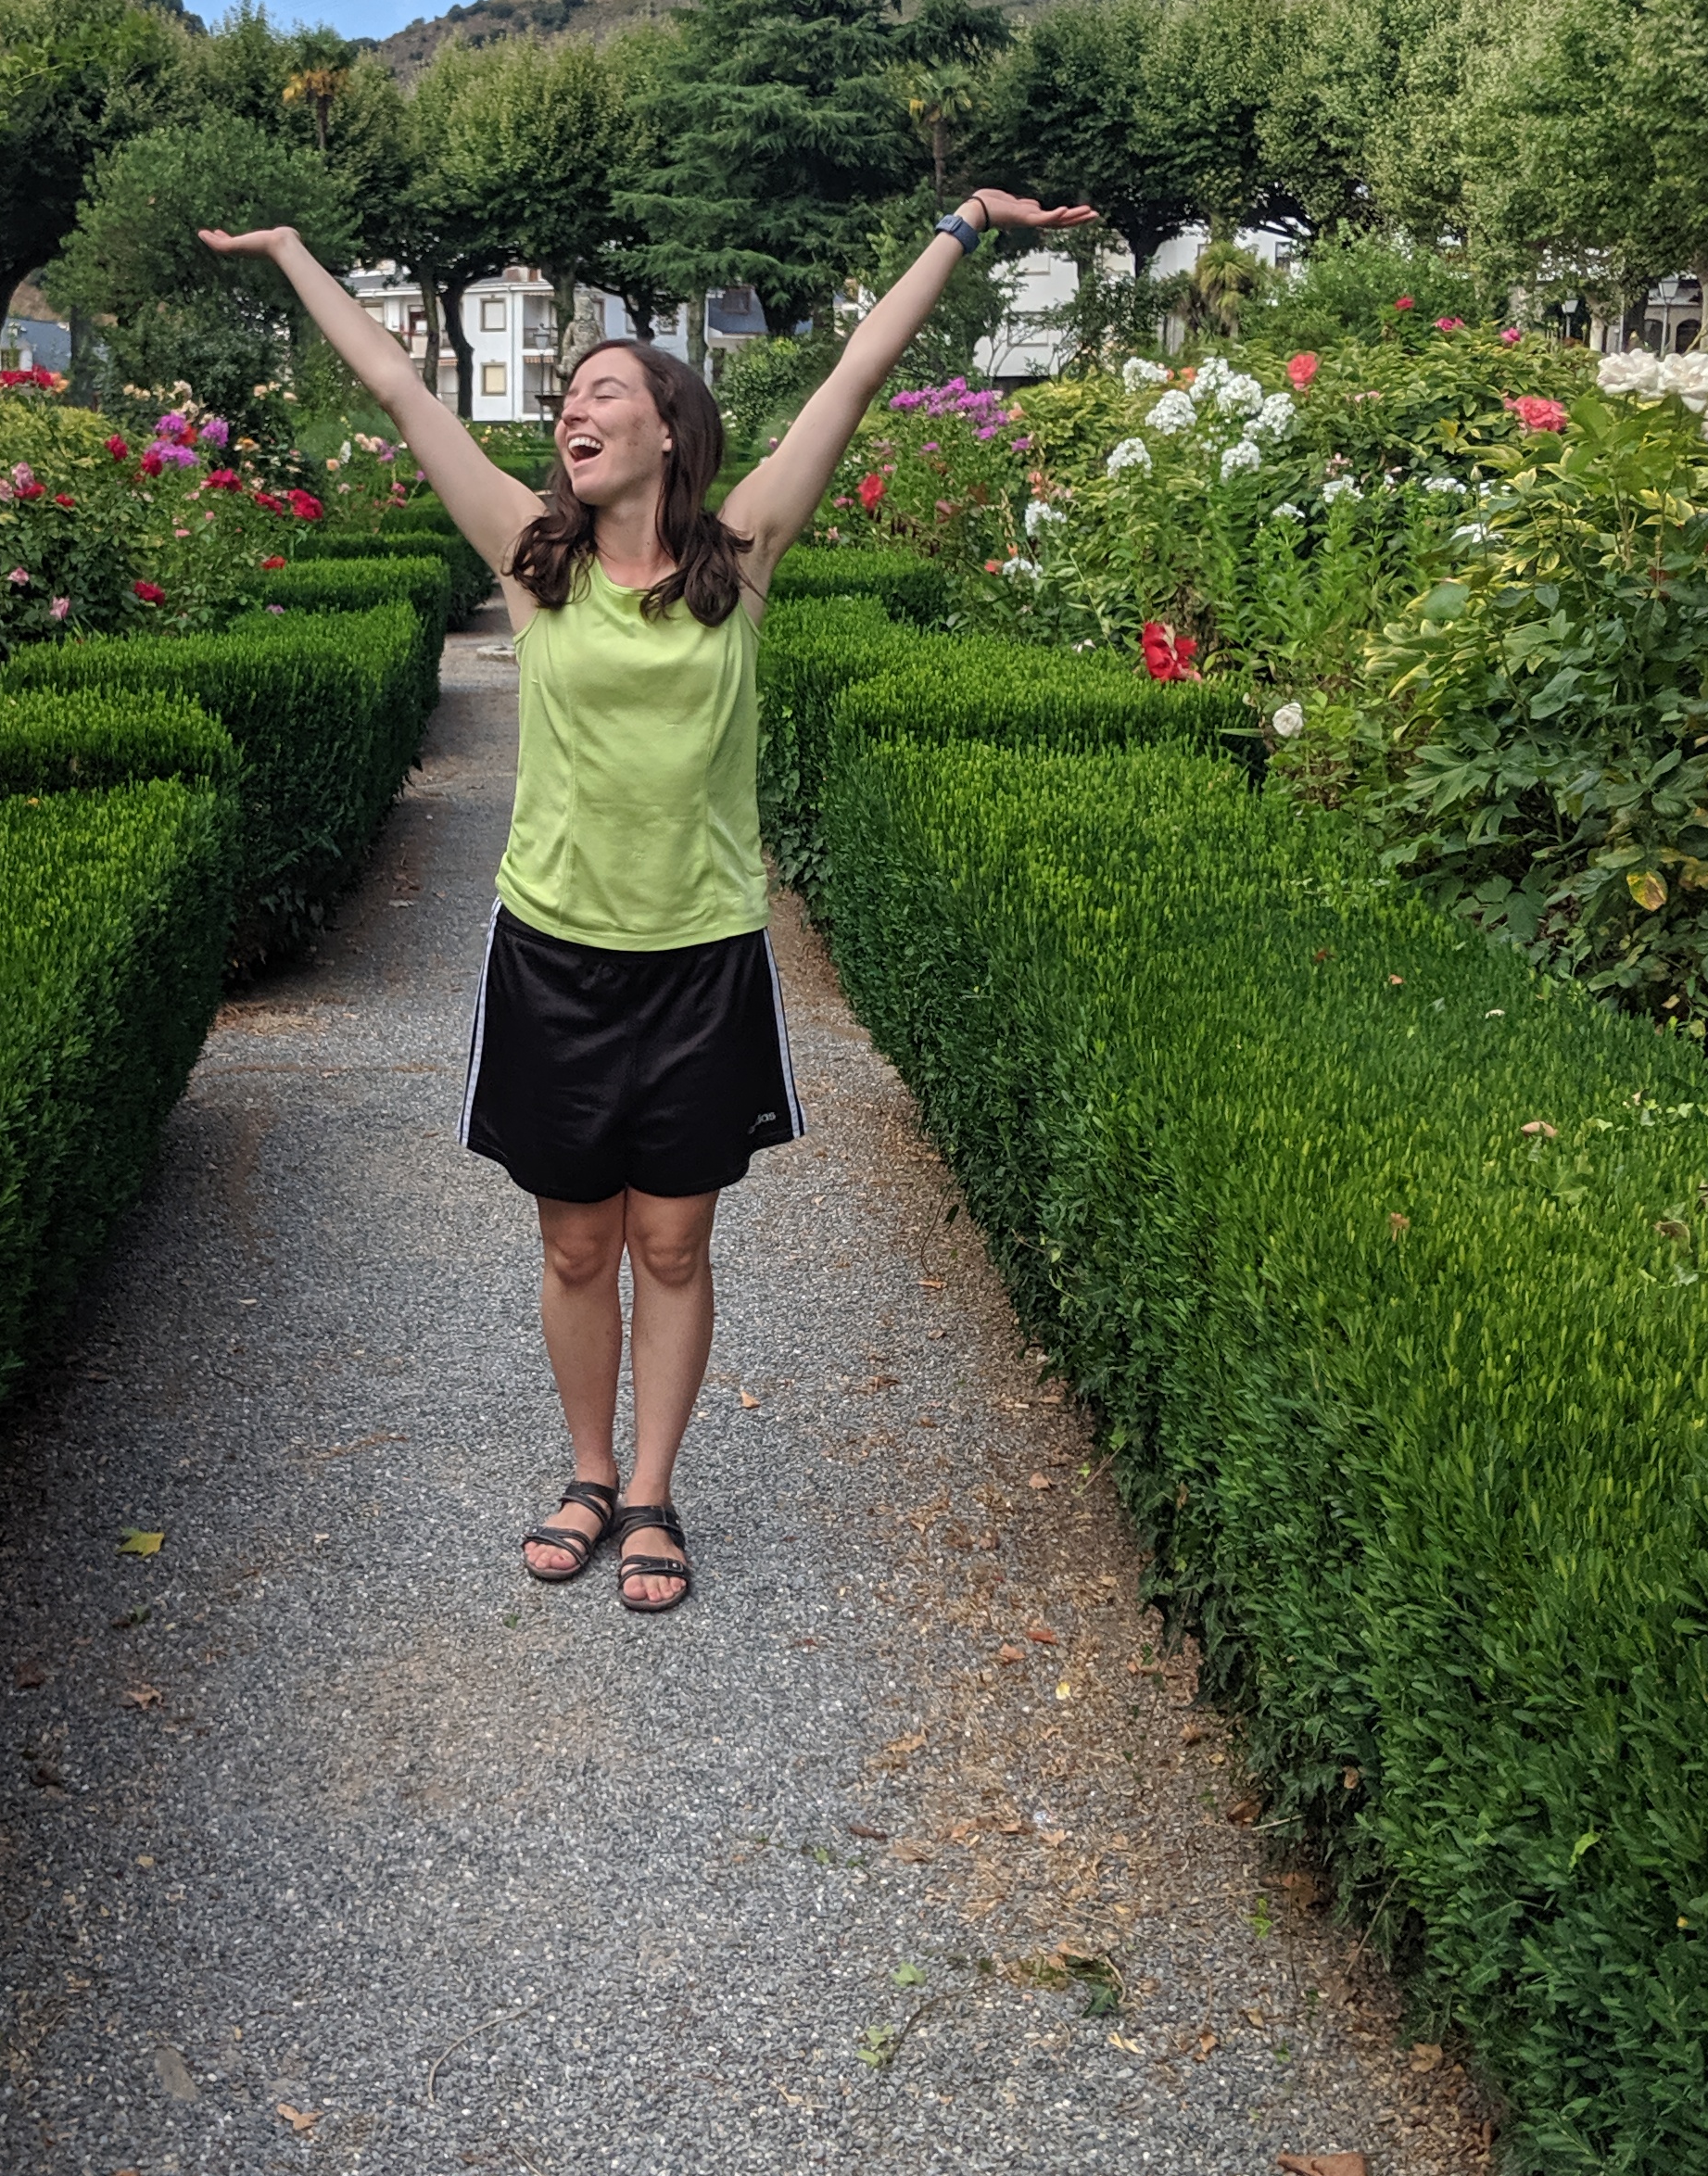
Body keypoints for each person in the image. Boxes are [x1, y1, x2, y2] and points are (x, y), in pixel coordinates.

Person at [196, 188, 1097, 1615]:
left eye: (606, 391)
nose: (575, 409)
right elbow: (391, 380)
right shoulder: (531, 562)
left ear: (670, 430)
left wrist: (963, 227)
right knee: (575, 1239)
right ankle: (586, 1471)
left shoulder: (737, 564)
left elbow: (854, 373)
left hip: (703, 959)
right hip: (551, 953)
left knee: (673, 1241)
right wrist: (293, 248)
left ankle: (658, 1491)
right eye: (566, 396)